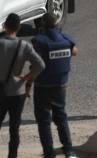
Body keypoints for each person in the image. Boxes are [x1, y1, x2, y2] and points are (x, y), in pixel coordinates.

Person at [0, 13, 44, 158]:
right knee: (14, 128)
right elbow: (40, 65)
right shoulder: (24, 46)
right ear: (19, 28)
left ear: (5, 26)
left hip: (0, 91)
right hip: (18, 92)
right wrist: (26, 77)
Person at [29, 12, 78, 158]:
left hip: (42, 86)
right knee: (61, 118)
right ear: (57, 24)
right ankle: (69, 151)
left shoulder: (40, 41)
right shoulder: (66, 39)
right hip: (60, 86)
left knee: (44, 122)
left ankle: (49, 154)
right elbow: (75, 52)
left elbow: (36, 60)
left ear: (42, 26)